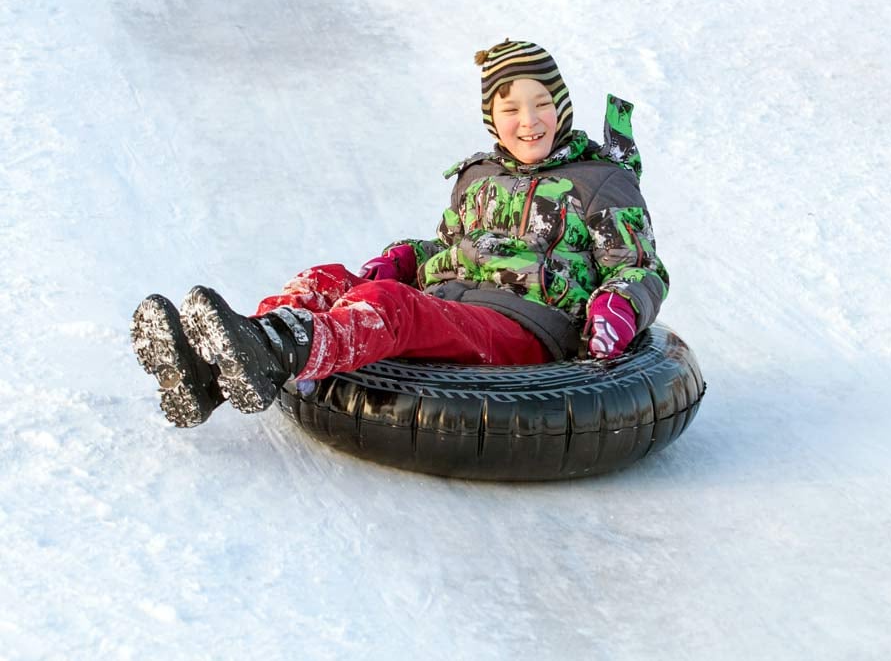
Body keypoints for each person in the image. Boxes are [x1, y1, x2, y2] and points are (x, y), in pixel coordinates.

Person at [131, 39, 670, 428]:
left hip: (524, 325)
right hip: (454, 304)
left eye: (542, 104)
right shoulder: (477, 176)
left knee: (389, 305)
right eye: (511, 109)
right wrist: (408, 257)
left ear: (563, 107)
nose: (529, 121)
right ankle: (217, 368)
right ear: (492, 119)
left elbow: (638, 267)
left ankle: (276, 349)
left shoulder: (601, 182)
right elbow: (450, 245)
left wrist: (619, 307)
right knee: (328, 278)